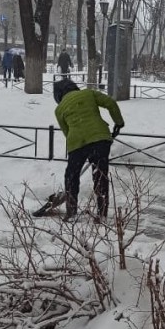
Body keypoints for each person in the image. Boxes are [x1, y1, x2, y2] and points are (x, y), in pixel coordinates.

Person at [53, 78, 124, 222]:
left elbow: (66, 131)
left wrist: (79, 144)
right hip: (100, 139)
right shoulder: (89, 93)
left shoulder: (59, 109)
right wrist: (119, 123)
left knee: (71, 176)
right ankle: (101, 213)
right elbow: (111, 103)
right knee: (100, 175)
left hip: (77, 143)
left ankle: (71, 212)